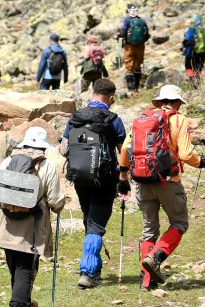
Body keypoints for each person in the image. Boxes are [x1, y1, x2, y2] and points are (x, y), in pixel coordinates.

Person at [118, 84, 203, 289]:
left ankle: (146, 281)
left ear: (159, 101)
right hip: (168, 181)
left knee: (149, 230)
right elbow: (185, 154)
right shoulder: (179, 119)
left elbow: (124, 148)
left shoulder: (143, 118)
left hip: (142, 180)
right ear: (176, 103)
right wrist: (202, 162)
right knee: (179, 224)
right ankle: (155, 258)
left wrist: (123, 176)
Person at [0, 126, 67, 307]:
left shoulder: (8, 161)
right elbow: (55, 200)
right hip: (31, 229)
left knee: (15, 267)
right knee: (26, 269)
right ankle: (18, 303)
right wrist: (60, 205)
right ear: (43, 147)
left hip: (6, 224)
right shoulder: (46, 165)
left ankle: (21, 301)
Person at [61, 78, 126, 289]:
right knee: (96, 225)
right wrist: (124, 177)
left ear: (92, 93)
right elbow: (123, 153)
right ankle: (87, 272)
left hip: (80, 178)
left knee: (90, 221)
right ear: (111, 97)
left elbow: (63, 149)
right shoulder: (113, 119)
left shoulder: (76, 117)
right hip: (105, 180)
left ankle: (95, 269)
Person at [117, 5, 152, 92]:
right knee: (137, 65)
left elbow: (124, 31)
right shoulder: (142, 20)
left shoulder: (127, 20)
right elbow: (147, 34)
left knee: (129, 65)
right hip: (140, 46)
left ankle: (131, 89)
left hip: (129, 46)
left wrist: (119, 36)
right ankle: (137, 87)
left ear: (128, 11)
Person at [182, 14, 205, 83]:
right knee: (198, 68)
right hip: (203, 52)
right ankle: (197, 82)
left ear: (194, 21)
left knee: (188, 66)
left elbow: (187, 40)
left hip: (192, 52)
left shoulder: (192, 29)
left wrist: (183, 46)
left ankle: (192, 79)